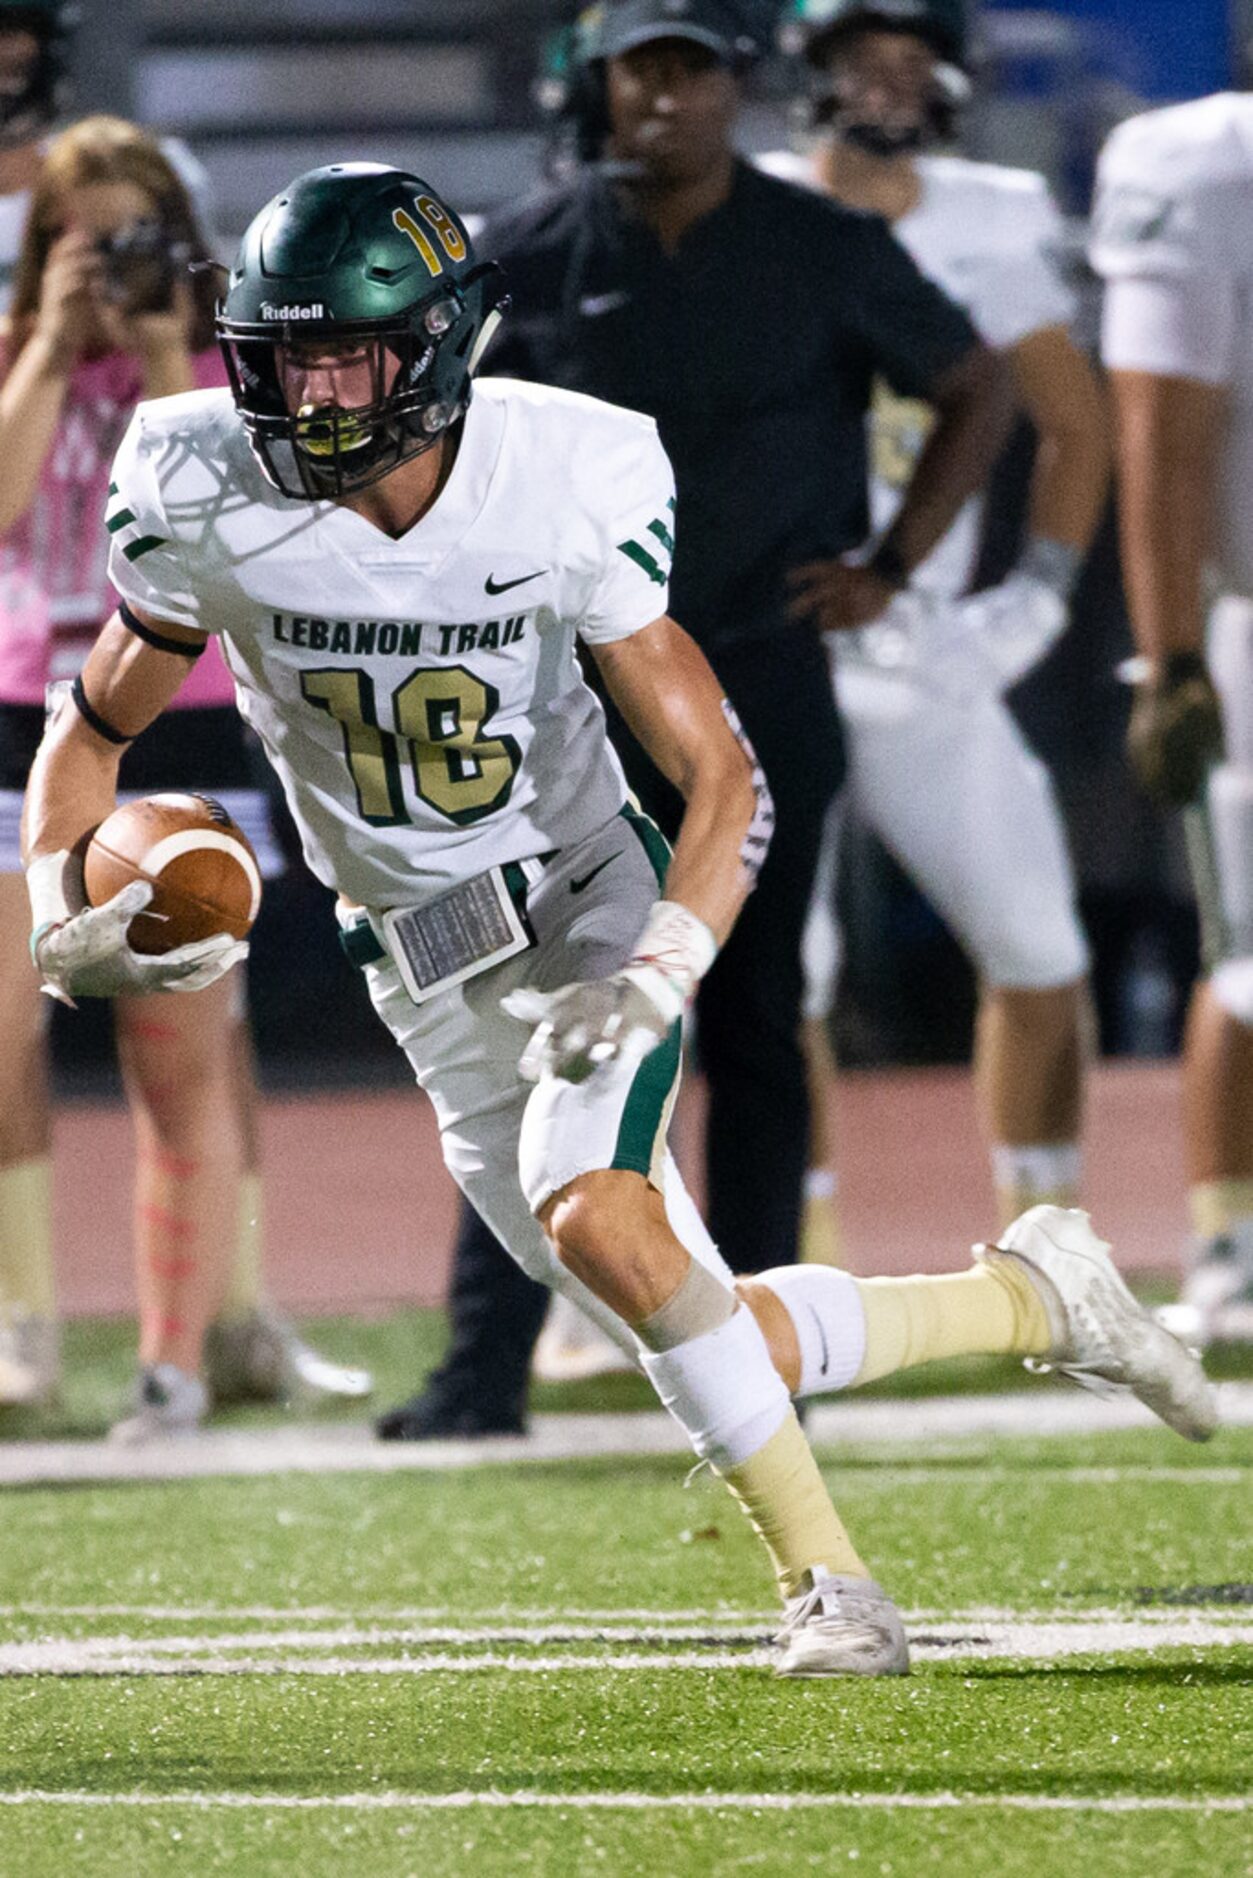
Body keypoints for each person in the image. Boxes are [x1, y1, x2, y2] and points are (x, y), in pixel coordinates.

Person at [20, 156, 1214, 1672]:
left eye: (350, 355)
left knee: (596, 1209)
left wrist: (655, 969)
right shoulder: (197, 481)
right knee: (672, 1299)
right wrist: (67, 902)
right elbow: (91, 731)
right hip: (417, 953)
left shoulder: (561, 470)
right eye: (284, 356)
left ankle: (834, 1589)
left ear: (444, 345)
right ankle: (1035, 1295)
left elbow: (727, 780)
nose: (312, 397)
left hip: (589, 898)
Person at [376, 0, 1018, 1436]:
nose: (664, 97)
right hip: (568, 704)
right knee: (532, 1016)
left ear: (736, 85)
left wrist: (892, 565)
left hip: (762, 675)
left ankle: (758, 1350)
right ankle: (483, 1369)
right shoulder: (523, 253)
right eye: (637, 71)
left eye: (690, 67)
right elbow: (426, 444)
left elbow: (978, 386)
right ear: (594, 89)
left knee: (752, 1011)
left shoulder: (821, 244)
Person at [0, 113, 369, 1427]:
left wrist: (164, 345)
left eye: (131, 235)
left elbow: (205, 514)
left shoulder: (225, 366)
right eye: (77, 238)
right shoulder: (14, 349)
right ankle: (24, 1327)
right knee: (1, 1031)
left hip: (186, 709)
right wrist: (48, 339)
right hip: (25, 705)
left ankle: (193, 1343)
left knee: (190, 1044)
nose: (105, 261)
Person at [766, 0, 1108, 1256]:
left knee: (1034, 944)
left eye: (911, 59)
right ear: (809, 68)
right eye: (863, 57)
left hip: (927, 646)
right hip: (770, 647)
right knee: (770, 981)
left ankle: (1047, 1253)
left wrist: (1038, 595)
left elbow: (1075, 421)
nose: (889, 83)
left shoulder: (992, 216)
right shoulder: (747, 207)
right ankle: (794, 1257)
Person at [1092, 89, 1253, 1345]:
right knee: (1248, 960)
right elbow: (1158, 430)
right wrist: (1172, 657)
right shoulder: (1203, 167)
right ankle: (1227, 1239)